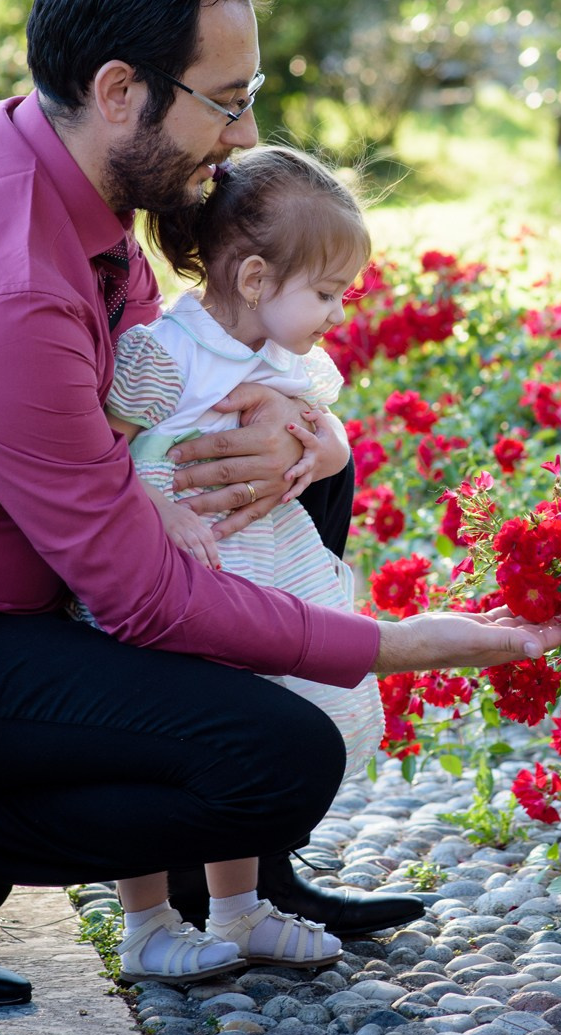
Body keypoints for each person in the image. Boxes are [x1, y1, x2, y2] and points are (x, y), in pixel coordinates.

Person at [0, 0, 561, 1009]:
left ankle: (245, 882)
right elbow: (138, 597)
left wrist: (308, 437)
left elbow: (149, 374)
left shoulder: (56, 166)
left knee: (297, 465)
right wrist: (393, 644)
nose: (243, 129)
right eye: (225, 98)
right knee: (281, 759)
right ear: (121, 91)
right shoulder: (1, 283)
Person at [99, 145, 383, 981]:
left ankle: (240, 907)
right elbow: (93, 454)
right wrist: (162, 508)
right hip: (171, 576)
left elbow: (332, 433)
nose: (338, 311)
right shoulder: (167, 354)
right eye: (327, 293)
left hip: (262, 570)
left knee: (253, 725)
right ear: (255, 278)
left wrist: (323, 450)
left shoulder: (285, 358)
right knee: (149, 743)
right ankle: (145, 920)